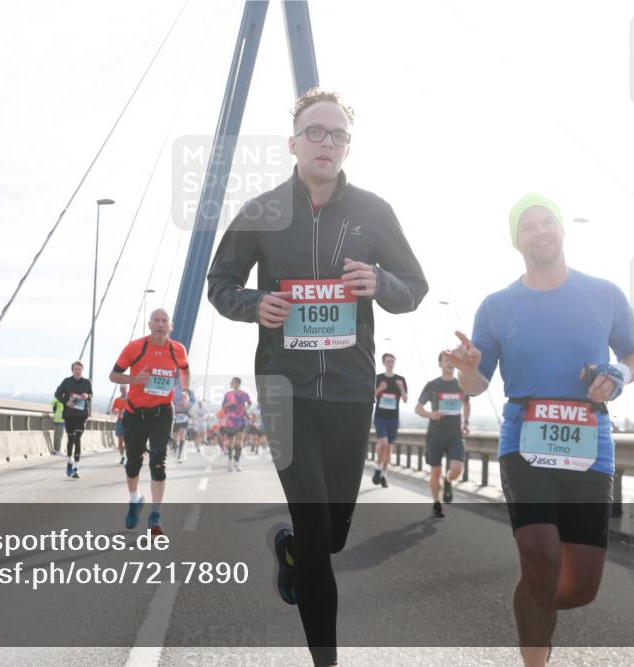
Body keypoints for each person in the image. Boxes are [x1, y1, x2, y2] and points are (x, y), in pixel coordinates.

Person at [207, 88, 428, 667]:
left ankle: (294, 553)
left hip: (351, 391)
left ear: (348, 147)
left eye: (337, 135)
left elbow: (415, 289)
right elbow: (220, 284)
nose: (326, 143)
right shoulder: (260, 212)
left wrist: (381, 282)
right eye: (315, 132)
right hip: (284, 389)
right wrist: (255, 304)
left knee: (330, 536)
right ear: (293, 142)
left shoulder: (374, 212)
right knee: (313, 525)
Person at [448, 193, 634, 667]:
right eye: (528, 227)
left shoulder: (605, 294)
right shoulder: (497, 305)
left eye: (547, 222)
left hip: (591, 442)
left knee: (579, 587)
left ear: (561, 229)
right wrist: (466, 369)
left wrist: (618, 374)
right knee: (540, 556)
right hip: (526, 439)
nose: (540, 232)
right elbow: (476, 385)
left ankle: (531, 601)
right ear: (516, 241)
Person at [109, 308, 190, 536]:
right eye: (156, 320)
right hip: (135, 414)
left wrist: (185, 389)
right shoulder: (135, 347)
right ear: (149, 324)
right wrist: (134, 379)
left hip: (162, 414)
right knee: (133, 463)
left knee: (158, 460)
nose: (160, 324)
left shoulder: (178, 350)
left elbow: (185, 368)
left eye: (164, 321)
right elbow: (113, 375)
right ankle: (135, 499)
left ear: (170, 326)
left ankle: (155, 516)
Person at [415, 351, 470, 517]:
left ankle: (448, 481)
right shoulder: (432, 385)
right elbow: (418, 408)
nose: (450, 362)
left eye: (452, 359)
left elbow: (467, 404)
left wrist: (466, 422)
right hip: (436, 434)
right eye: (446, 359)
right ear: (439, 364)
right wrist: (431, 414)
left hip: (455, 435)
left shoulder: (462, 384)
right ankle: (436, 502)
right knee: (435, 471)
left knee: (457, 468)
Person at [372, 352, 408, 488]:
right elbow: (371, 396)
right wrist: (380, 389)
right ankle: (378, 467)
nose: (390, 364)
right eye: (388, 361)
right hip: (380, 417)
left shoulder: (400, 379)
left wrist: (401, 388)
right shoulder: (378, 378)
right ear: (383, 363)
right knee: (383, 443)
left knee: (388, 448)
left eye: (392, 361)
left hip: (393, 419)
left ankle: (384, 474)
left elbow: (405, 399)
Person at [54, 361, 92, 479]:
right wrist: (66, 401)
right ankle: (69, 460)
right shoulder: (66, 381)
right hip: (69, 415)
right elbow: (57, 394)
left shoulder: (86, 382)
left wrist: (87, 396)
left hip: (81, 415)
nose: (78, 371)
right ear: (72, 370)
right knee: (70, 439)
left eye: (80, 369)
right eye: (75, 369)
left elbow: (90, 395)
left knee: (77, 438)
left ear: (82, 370)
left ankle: (76, 467)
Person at [222, 377, 251, 471]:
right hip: (230, 421)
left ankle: (237, 461)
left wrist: (246, 407)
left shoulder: (244, 394)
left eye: (232, 382)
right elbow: (223, 408)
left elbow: (249, 403)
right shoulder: (227, 395)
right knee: (231, 443)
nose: (230, 383)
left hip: (241, 420)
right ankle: (230, 460)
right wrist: (227, 405)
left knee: (239, 442)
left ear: (237, 383)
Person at [172, 382, 195, 463]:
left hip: (185, 417)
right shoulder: (174, 389)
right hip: (176, 417)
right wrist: (176, 406)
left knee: (182, 436)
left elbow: (192, 404)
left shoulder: (190, 392)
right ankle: (175, 446)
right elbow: (171, 403)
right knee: (175, 437)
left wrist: (186, 405)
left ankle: (179, 456)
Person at [111, 385, 130, 465]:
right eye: (121, 389)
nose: (123, 391)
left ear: (127, 389)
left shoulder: (130, 399)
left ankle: (129, 456)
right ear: (120, 390)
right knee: (120, 441)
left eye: (124, 389)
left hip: (129, 422)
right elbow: (113, 410)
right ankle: (123, 457)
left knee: (128, 441)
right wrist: (115, 411)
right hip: (120, 421)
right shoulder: (117, 400)